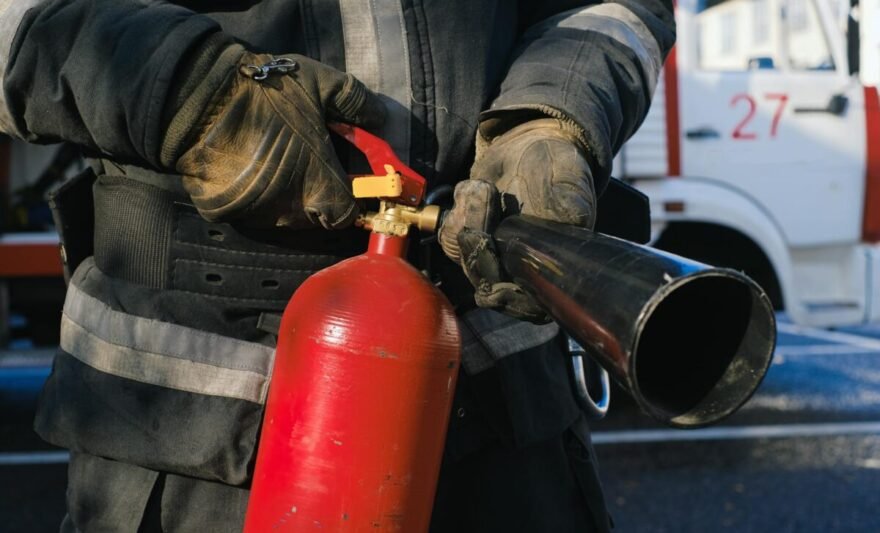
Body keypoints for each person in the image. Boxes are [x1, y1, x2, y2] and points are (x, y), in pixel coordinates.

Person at [0, 1, 674, 531]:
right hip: (193, 458)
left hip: (506, 443)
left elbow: (607, 9)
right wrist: (185, 90)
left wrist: (552, 118)